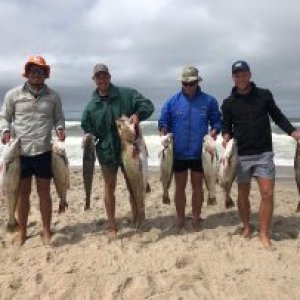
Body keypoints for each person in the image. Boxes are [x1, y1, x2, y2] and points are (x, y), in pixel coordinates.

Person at [221, 60, 300, 248]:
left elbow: (277, 116)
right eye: (237, 75)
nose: (240, 78)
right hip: (240, 155)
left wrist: (292, 131)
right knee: (243, 194)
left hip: (264, 152)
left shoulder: (264, 95)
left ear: (250, 74)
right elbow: (227, 128)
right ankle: (247, 226)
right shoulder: (228, 103)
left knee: (267, 193)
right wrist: (225, 137)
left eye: (243, 74)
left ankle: (264, 233)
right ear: (233, 77)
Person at [81, 64, 154, 236]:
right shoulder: (91, 106)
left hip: (129, 149)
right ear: (94, 80)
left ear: (109, 77)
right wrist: (89, 137)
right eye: (98, 77)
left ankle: (138, 217)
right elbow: (87, 127)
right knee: (109, 187)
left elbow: (148, 105)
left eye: (104, 76)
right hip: (106, 153)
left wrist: (137, 115)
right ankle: (112, 225)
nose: (102, 80)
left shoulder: (126, 94)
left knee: (133, 185)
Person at [0, 55, 66, 245]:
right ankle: (21, 231)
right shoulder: (13, 94)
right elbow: (4, 117)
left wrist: (60, 129)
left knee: (44, 192)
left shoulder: (53, 96)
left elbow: (59, 118)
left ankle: (46, 230)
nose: (37, 74)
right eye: (33, 70)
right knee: (23, 193)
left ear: (46, 74)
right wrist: (5, 131)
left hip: (45, 151)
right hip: (20, 153)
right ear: (27, 73)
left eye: (41, 71)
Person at [158, 65, 221, 230]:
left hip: (200, 153)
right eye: (185, 84)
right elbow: (163, 122)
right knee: (179, 187)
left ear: (197, 82)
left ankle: (195, 216)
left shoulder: (209, 101)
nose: (188, 87)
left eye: (191, 83)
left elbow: (217, 122)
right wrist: (163, 131)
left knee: (197, 186)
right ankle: (180, 218)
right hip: (177, 153)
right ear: (181, 84)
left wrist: (213, 134)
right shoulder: (172, 102)